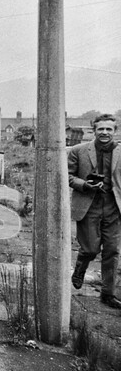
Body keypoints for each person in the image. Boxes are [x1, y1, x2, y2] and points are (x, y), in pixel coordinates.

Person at [68, 113, 121, 309]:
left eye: (109, 129)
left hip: (113, 207)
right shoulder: (78, 151)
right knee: (90, 248)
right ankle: (81, 267)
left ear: (115, 131)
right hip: (88, 205)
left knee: (112, 251)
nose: (105, 132)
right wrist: (84, 184)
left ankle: (108, 293)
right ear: (94, 130)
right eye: (101, 129)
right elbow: (67, 176)